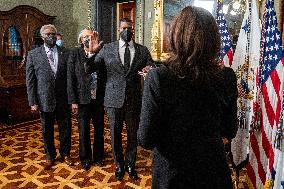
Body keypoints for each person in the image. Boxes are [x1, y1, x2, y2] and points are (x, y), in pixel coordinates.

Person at [137, 6, 238, 189]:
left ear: (176, 35)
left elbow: (145, 139)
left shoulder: (159, 77)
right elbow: (230, 130)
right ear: (213, 39)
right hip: (214, 173)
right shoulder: (228, 76)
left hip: (173, 176)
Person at [84, 18, 155, 181]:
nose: (126, 31)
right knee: (115, 135)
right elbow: (89, 69)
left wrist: (149, 69)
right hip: (112, 99)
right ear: (118, 30)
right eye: (124, 28)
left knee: (132, 135)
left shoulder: (143, 50)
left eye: (129, 28)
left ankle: (130, 164)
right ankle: (119, 165)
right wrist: (91, 52)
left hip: (134, 100)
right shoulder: (107, 48)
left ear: (133, 30)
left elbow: (152, 67)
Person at [26, 24, 73, 170]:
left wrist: (72, 100)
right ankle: (49, 156)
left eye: (53, 33)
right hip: (44, 99)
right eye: (47, 34)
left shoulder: (65, 52)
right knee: (47, 129)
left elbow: (70, 78)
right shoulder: (33, 54)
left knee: (66, 128)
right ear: (42, 36)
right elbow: (30, 80)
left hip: (63, 99)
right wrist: (33, 101)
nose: (51, 36)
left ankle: (65, 154)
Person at [67, 28, 106, 171]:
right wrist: (73, 101)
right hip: (82, 99)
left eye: (91, 36)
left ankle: (99, 157)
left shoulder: (101, 52)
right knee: (83, 130)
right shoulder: (74, 54)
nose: (88, 39)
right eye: (85, 37)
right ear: (80, 40)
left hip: (98, 99)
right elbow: (70, 78)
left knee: (99, 129)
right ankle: (85, 158)